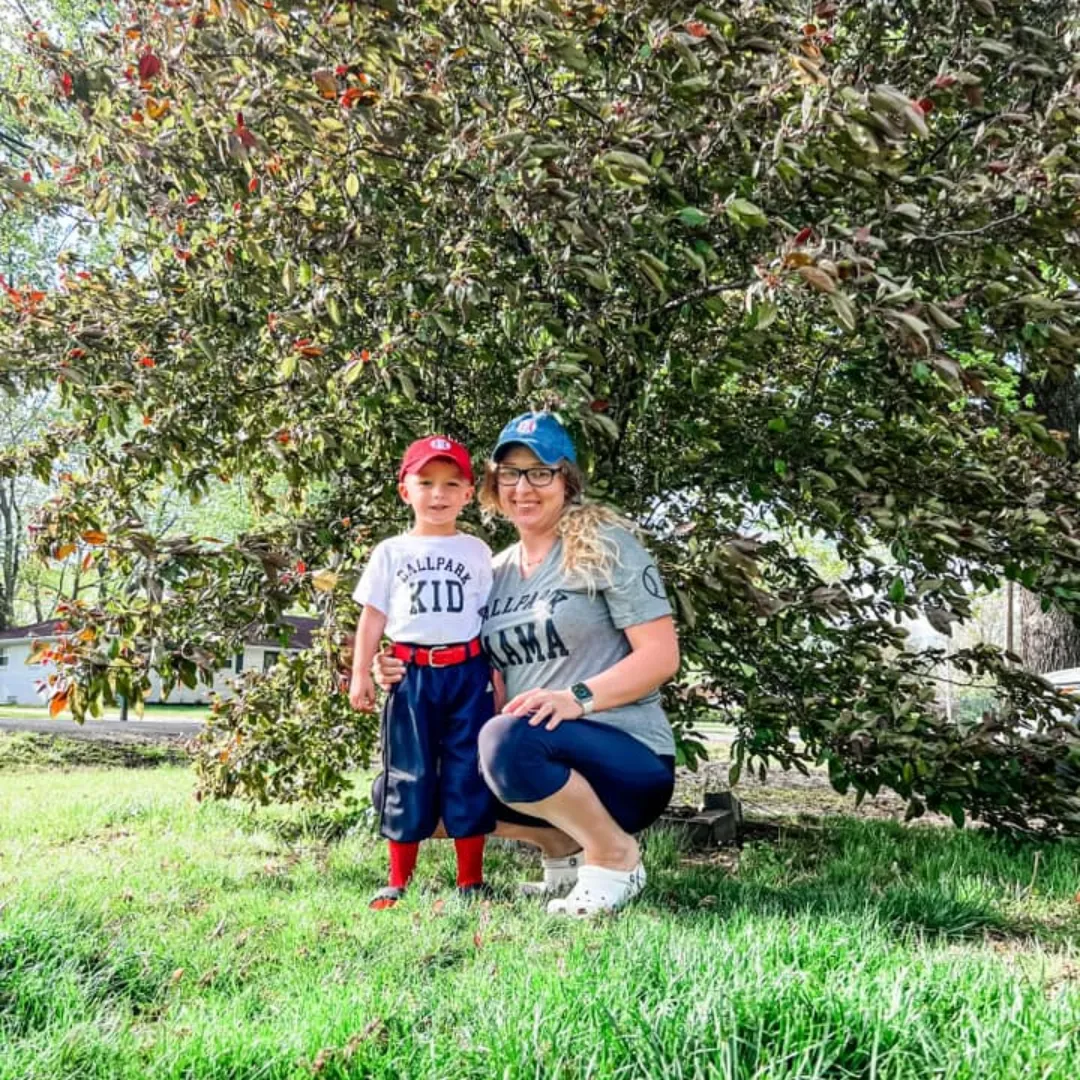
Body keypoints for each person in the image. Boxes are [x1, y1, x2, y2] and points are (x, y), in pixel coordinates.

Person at [376, 412, 680, 917]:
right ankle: (561, 850)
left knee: (508, 740)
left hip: (626, 757)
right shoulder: (488, 571)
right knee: (401, 788)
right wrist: (397, 669)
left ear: (567, 480)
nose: (525, 486)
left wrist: (576, 699)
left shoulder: (606, 546)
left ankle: (614, 856)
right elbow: (475, 675)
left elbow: (661, 656)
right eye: (511, 473)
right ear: (494, 486)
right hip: (530, 745)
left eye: (541, 472)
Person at [349, 435, 495, 910]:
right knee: (407, 773)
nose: (439, 494)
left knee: (466, 770)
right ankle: (397, 879)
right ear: (405, 490)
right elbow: (372, 616)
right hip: (411, 673)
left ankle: (470, 880)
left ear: (469, 494)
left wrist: (495, 678)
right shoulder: (391, 551)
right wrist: (361, 674)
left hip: (467, 672)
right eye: (426, 482)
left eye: (452, 483)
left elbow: (487, 617)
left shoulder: (476, 551)